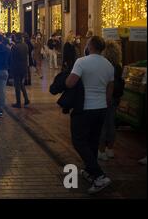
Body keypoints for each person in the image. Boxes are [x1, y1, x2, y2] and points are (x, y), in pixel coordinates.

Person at [66, 36, 114, 194]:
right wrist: (104, 106)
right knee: (93, 141)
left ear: (90, 46)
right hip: (101, 108)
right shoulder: (108, 65)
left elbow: (70, 83)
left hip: (84, 108)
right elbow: (109, 92)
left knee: (78, 141)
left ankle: (100, 175)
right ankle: (90, 171)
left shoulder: (81, 61)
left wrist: (65, 79)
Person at [98, 40, 124, 161]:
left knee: (102, 124)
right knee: (111, 123)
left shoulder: (104, 65)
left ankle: (101, 150)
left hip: (105, 96)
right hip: (115, 97)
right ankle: (110, 149)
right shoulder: (118, 66)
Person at [10, 33, 30, 108]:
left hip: (16, 68)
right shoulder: (25, 46)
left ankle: (18, 102)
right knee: (21, 84)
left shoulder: (14, 47)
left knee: (17, 86)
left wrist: (11, 70)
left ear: (16, 38)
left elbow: (12, 59)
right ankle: (26, 99)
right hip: (23, 67)